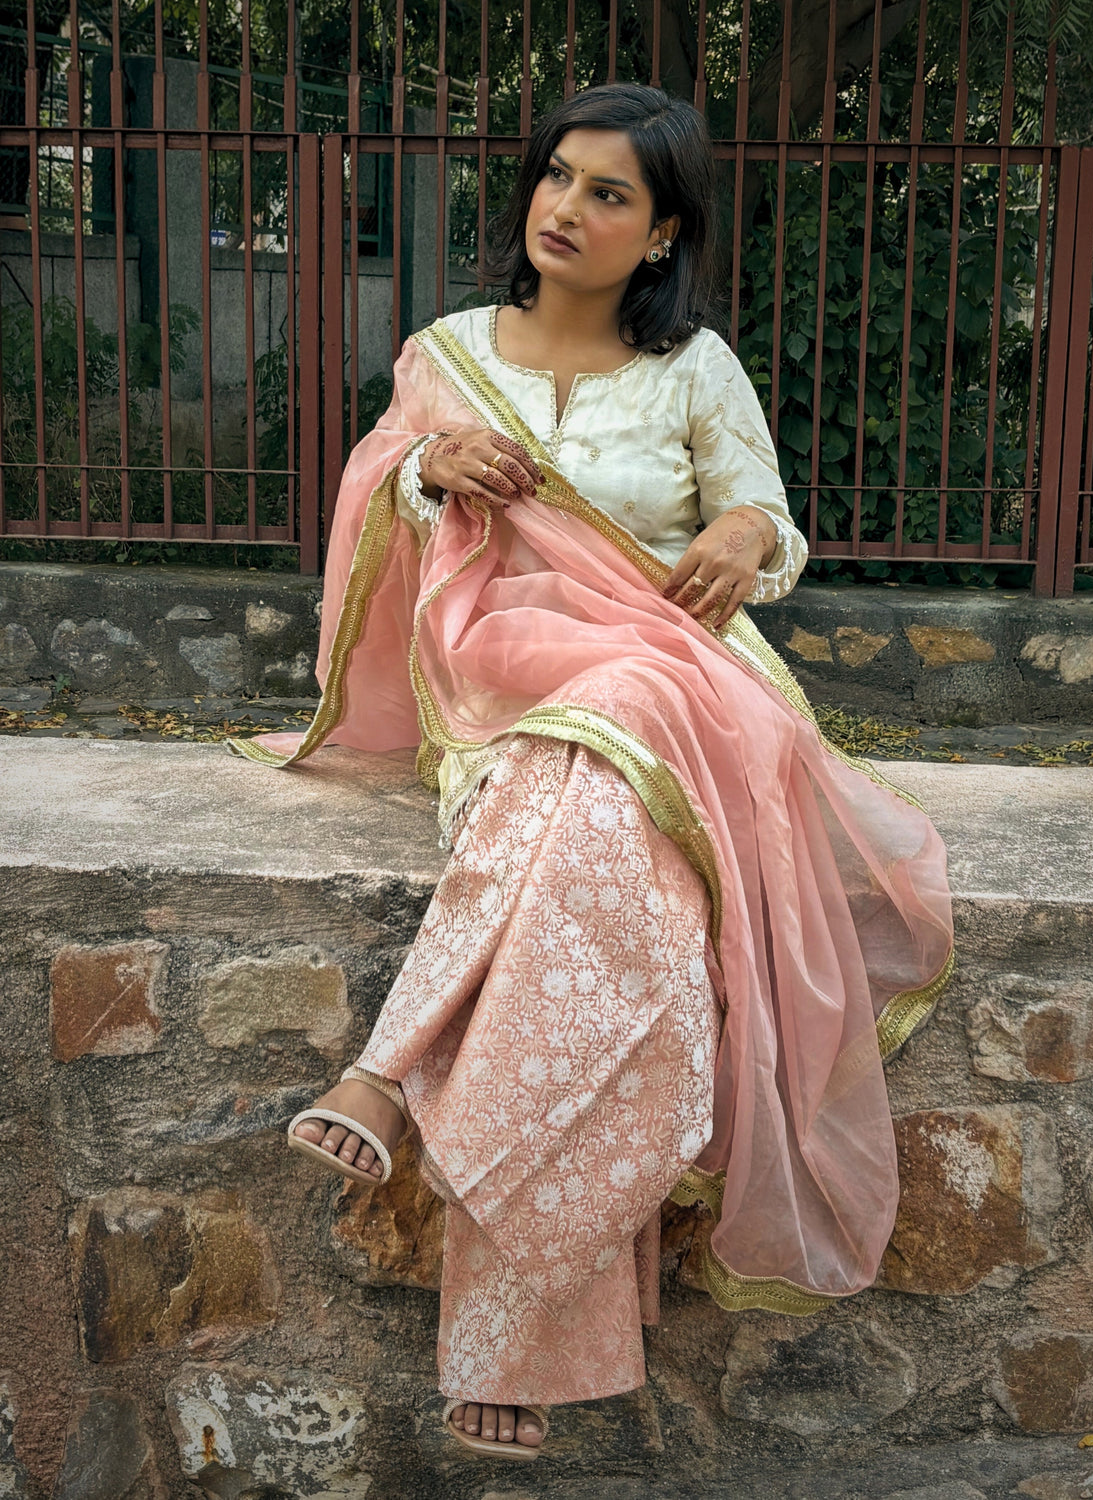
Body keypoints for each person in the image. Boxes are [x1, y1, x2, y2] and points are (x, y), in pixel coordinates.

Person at [232, 81, 954, 1463]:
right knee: (622, 895)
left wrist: (746, 538)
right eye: (557, 176)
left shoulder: (696, 370)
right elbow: (378, 501)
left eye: (608, 192)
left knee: (606, 800)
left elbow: (765, 518)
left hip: (682, 697)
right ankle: (512, 1306)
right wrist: (425, 467)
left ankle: (391, 1072)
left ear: (663, 229)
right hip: (501, 689)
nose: (565, 207)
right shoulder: (447, 353)